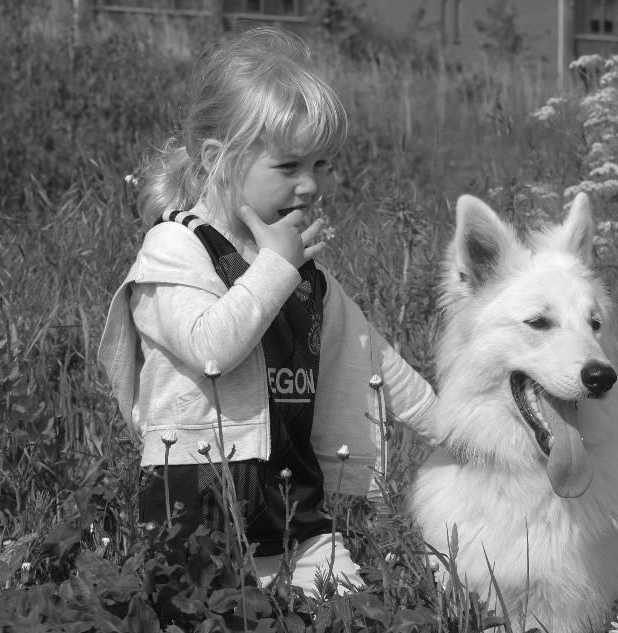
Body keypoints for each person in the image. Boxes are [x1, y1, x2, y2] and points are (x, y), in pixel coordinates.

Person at [98, 26, 437, 596]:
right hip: (193, 507)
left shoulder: (301, 273)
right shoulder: (176, 249)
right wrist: (278, 267)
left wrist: (463, 432)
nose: (311, 186)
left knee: (348, 627)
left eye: (323, 165)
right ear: (219, 160)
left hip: (292, 510)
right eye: (288, 167)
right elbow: (211, 349)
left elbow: (378, 361)